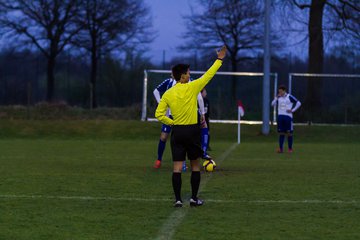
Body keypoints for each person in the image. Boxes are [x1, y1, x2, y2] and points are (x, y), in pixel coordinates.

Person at [155, 45, 227, 207]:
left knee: (177, 168)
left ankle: (178, 200)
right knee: (195, 166)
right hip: (192, 131)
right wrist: (219, 59)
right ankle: (194, 198)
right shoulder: (192, 87)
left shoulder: (168, 93)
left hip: (178, 132)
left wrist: (172, 122)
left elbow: (158, 114)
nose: (190, 75)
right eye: (188, 73)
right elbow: (209, 75)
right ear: (182, 76)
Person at [153, 79, 210, 170]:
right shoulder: (169, 83)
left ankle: (202, 152)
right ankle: (159, 159)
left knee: (196, 129)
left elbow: (199, 97)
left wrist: (202, 113)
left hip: (185, 114)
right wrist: (161, 103)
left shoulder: (190, 82)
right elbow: (156, 91)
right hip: (170, 115)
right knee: (164, 137)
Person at [271, 85, 301, 153]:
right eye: (279, 92)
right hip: (280, 117)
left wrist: (292, 110)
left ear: (284, 91)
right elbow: (272, 104)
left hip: (288, 117)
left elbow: (299, 103)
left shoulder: (289, 96)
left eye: (281, 91)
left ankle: (290, 149)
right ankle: (280, 149)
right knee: (281, 133)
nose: (280, 93)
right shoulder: (278, 98)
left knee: (289, 133)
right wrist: (276, 98)